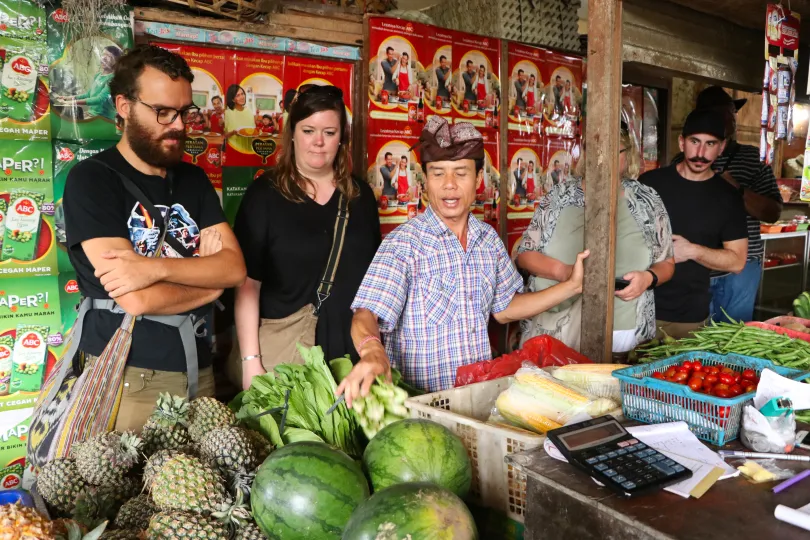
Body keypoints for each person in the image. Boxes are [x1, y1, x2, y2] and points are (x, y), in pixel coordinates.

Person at [62, 45, 246, 432]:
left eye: (184, 112)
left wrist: (152, 267)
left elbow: (233, 269)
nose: (178, 125)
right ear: (124, 106)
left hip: (200, 368)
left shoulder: (192, 179)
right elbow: (136, 298)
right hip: (130, 377)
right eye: (162, 112)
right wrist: (207, 286)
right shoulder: (92, 180)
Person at [337, 116, 589, 398]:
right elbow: (365, 313)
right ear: (425, 180)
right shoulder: (404, 245)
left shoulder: (488, 241)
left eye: (460, 173)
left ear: (479, 179)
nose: (449, 185)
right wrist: (372, 351)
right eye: (438, 173)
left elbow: (505, 309)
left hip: (478, 399)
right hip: (423, 407)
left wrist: (570, 285)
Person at [235, 85, 381, 390]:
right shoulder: (264, 196)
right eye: (308, 130)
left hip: (351, 354)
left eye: (329, 132)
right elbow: (248, 285)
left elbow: (375, 283)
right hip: (288, 355)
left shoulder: (361, 197)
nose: (318, 142)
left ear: (342, 137)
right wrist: (251, 362)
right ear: (292, 133)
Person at [517, 125, 675, 352]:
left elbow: (667, 262)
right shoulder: (559, 197)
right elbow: (525, 255)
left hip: (625, 329)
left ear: (627, 154)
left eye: (614, 151)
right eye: (595, 149)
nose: (603, 157)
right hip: (556, 326)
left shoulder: (646, 200)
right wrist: (565, 273)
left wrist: (648, 278)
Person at [673, 86, 782, 323]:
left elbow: (773, 213)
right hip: (693, 266)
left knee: (734, 336)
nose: (731, 119)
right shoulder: (681, 161)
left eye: (732, 113)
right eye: (724, 113)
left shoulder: (752, 159)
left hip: (741, 268)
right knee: (693, 337)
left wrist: (736, 189)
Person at [640, 108, 748, 339]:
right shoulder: (649, 183)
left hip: (687, 316)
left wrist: (692, 251)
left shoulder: (728, 198)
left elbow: (737, 261)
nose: (700, 153)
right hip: (636, 306)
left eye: (710, 144)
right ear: (682, 143)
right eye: (694, 141)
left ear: (721, 147)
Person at [55, 45, 122, 121]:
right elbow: (88, 94)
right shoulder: (98, 75)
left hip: (103, 118)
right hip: (92, 114)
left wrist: (72, 103)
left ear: (116, 60)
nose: (104, 58)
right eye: (103, 54)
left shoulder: (112, 78)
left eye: (109, 56)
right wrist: (68, 98)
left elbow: (99, 99)